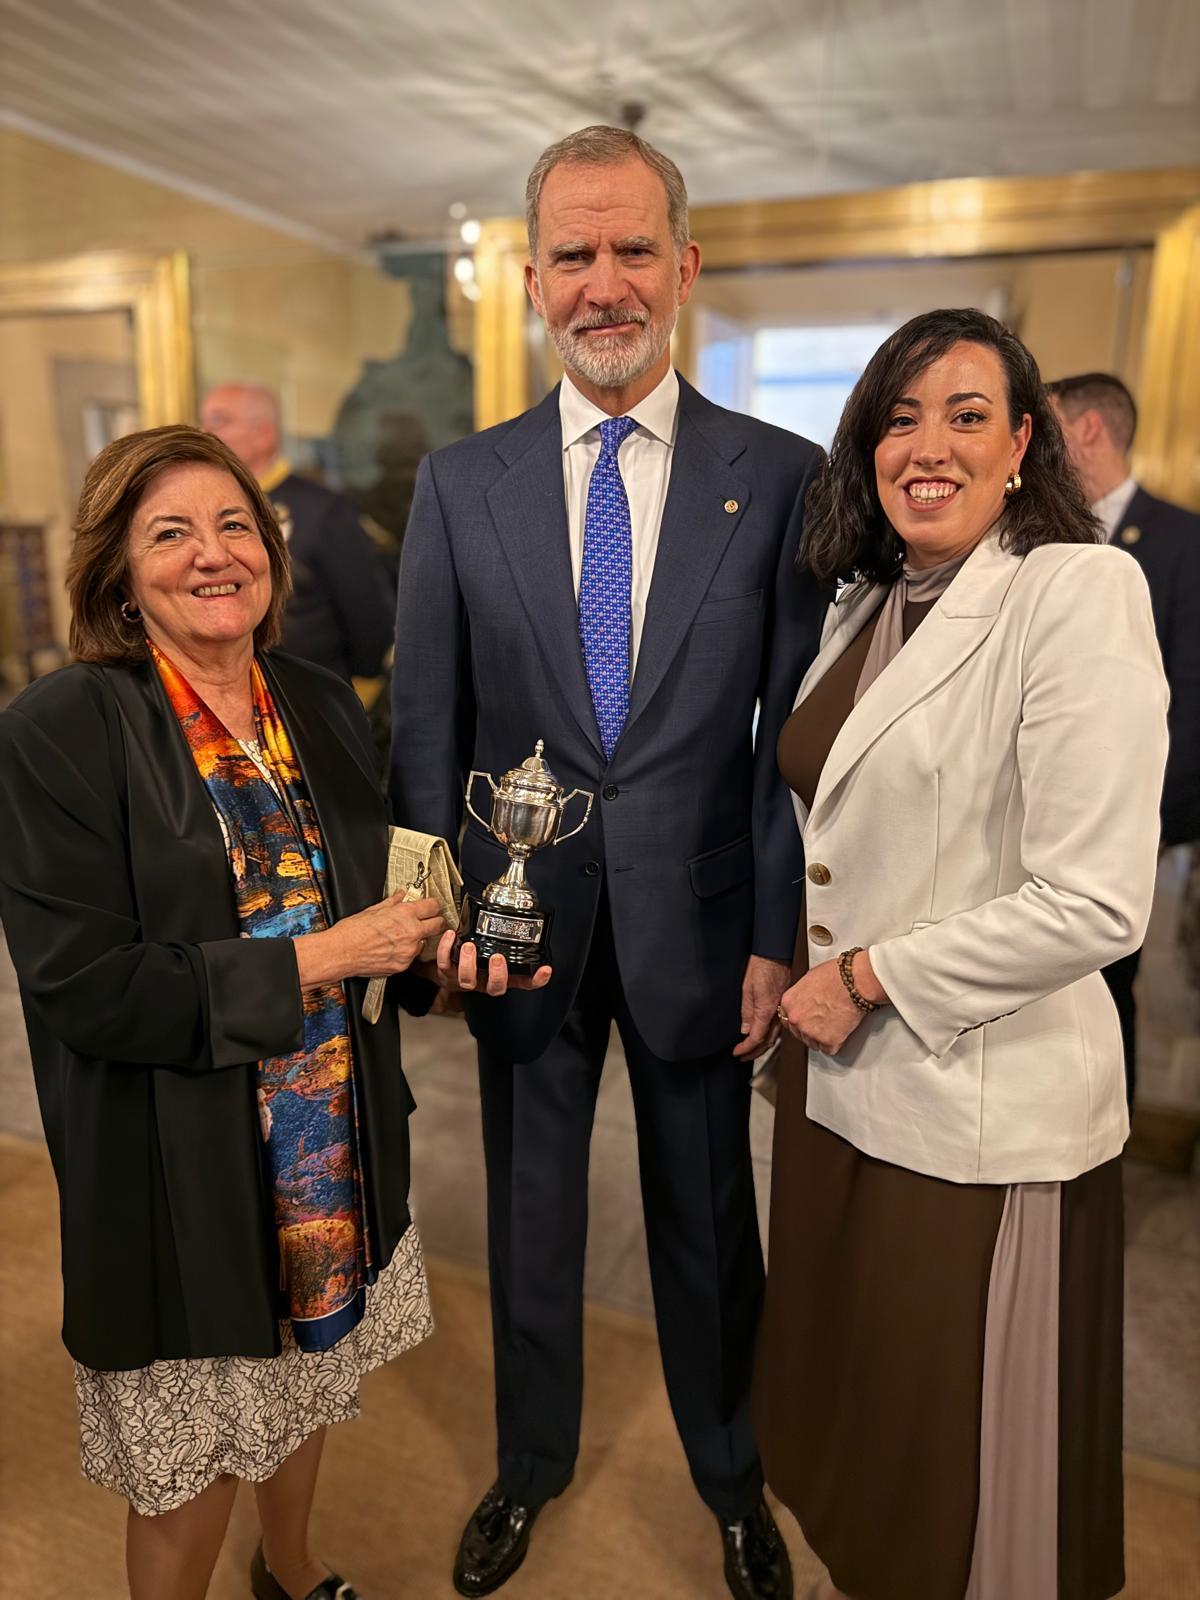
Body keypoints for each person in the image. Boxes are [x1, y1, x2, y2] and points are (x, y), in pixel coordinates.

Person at [391, 125, 824, 1600]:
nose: (605, 282)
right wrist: (427, 917)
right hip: (521, 924)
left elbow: (794, 738)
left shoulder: (780, 478)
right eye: (573, 254)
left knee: (713, 1221)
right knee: (528, 1210)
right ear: (529, 281)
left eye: (634, 248)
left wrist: (781, 929)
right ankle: (530, 1465)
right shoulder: (463, 484)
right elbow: (427, 727)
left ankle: (731, 1474)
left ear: (685, 267)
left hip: (706, 922)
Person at [0, 425, 538, 1600]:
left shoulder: (315, 698)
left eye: (234, 523)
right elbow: (91, 989)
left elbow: (372, 896)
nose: (212, 554)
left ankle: (291, 1569)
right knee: (187, 1465)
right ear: (118, 572)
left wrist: (436, 966)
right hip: (178, 1163)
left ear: (273, 550)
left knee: (309, 1384)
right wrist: (329, 955)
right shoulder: (59, 732)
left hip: (333, 1145)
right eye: (170, 533)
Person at [753, 309, 1169, 1600]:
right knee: (856, 1411)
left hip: (977, 1109)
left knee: (961, 1464)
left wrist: (868, 975)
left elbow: (1098, 901)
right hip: (835, 1086)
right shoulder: (870, 603)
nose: (926, 444)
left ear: (1023, 442)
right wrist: (789, 957)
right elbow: (840, 837)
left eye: (966, 414)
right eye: (899, 414)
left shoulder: (1077, 589)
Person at [1048, 371, 1200, 1106]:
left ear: (1087, 430)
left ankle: (1106, 1165)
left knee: (1112, 997)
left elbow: (1191, 698)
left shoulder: (1181, 539)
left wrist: (1143, 823)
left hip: (1140, 829)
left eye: (1047, 426)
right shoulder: (1039, 534)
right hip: (1044, 824)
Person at [201, 383, 394, 683]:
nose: (205, 433)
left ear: (263, 434)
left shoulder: (324, 511)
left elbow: (367, 621)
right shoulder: (199, 508)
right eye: (204, 421)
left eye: (220, 421)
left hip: (309, 702)